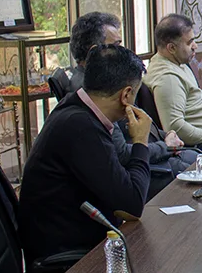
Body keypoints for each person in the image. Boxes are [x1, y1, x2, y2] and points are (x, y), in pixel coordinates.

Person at [18, 44, 153, 273]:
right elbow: (132, 205)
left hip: (77, 243)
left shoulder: (76, 110)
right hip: (65, 267)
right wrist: (141, 142)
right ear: (126, 95)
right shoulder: (81, 128)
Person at [69, 12, 192, 197]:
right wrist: (165, 146)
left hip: (155, 153)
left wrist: (166, 136)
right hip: (146, 168)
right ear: (96, 52)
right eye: (117, 45)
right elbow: (121, 154)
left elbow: (139, 122)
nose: (123, 51)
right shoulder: (92, 92)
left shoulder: (108, 80)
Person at [144, 13, 202, 147]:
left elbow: (195, 106)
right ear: (171, 48)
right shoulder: (168, 78)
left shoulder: (178, 63)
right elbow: (176, 128)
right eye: (189, 43)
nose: (195, 46)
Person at [68, 12, 122, 88]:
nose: (122, 51)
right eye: (116, 45)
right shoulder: (96, 90)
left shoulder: (80, 79)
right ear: (94, 51)